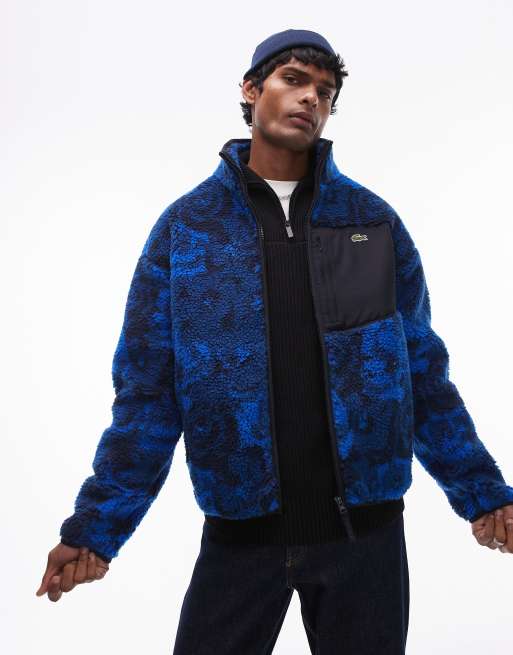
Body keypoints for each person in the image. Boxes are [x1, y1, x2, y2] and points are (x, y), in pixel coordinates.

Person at [36, 28, 513, 653]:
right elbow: (147, 397)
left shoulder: (371, 222)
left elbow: (421, 376)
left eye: (325, 91)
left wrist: (483, 495)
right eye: (293, 80)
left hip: (365, 542)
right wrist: (96, 529)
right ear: (251, 90)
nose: (311, 98)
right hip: (240, 537)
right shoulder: (188, 230)